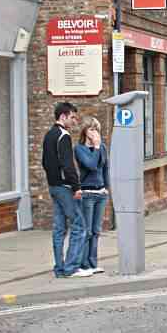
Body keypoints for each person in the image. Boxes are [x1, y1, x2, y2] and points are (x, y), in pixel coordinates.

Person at [42, 102, 91, 278]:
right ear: (62, 116)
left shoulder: (49, 135)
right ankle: (71, 268)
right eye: (72, 117)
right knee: (79, 226)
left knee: (59, 228)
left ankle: (59, 268)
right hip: (64, 187)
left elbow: (45, 163)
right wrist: (76, 187)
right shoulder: (64, 135)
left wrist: (53, 181)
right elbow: (68, 165)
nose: (74, 121)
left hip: (53, 186)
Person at [75, 117, 110, 275]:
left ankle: (93, 263)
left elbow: (105, 168)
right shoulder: (79, 149)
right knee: (87, 231)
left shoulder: (102, 147)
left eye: (96, 129)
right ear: (85, 131)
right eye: (91, 129)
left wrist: (106, 188)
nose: (95, 132)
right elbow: (91, 165)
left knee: (96, 230)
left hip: (100, 193)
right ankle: (83, 265)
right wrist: (95, 147)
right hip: (87, 193)